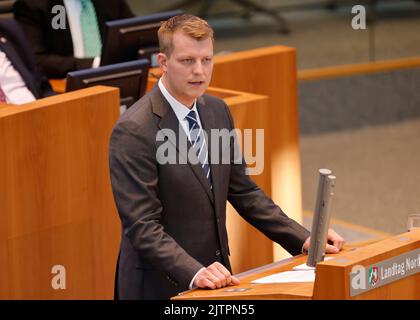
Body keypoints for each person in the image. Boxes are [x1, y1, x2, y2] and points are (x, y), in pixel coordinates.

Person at [109, 14, 345, 300]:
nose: (199, 71)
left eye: (206, 60)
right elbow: (142, 226)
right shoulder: (135, 129)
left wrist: (304, 238)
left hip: (216, 279)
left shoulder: (216, 111)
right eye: (187, 61)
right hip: (160, 286)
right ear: (163, 63)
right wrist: (194, 271)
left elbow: (244, 191)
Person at [13, 0, 134, 78]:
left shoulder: (110, 2)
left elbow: (136, 33)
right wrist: (94, 64)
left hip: (116, 77)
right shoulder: (35, 5)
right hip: (68, 83)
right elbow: (37, 60)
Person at [0, 18, 55, 104]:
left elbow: (42, 85)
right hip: (6, 114)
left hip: (36, 109)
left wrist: (53, 107)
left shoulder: (9, 29)